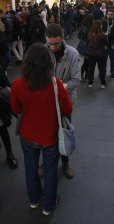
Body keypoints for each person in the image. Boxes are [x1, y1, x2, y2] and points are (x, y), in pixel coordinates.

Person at [11, 43, 72, 216]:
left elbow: (15, 110)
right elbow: (67, 110)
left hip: (28, 135)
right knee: (51, 170)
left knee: (30, 168)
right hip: (50, 136)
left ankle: (34, 199)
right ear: (48, 62)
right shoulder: (56, 84)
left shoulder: (17, 84)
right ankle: (48, 206)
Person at [41, 23, 80, 179]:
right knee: (47, 134)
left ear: (62, 38)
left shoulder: (73, 54)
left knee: (63, 133)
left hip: (65, 102)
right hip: (46, 102)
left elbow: (76, 80)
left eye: (56, 43)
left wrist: (58, 87)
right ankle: (47, 162)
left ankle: (65, 162)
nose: (53, 47)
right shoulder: (42, 52)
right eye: (50, 43)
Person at [87, 20, 109, 88]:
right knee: (101, 69)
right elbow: (106, 43)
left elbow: (88, 40)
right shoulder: (102, 34)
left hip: (91, 53)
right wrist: (106, 35)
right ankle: (103, 83)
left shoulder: (90, 33)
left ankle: (90, 82)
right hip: (100, 53)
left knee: (91, 68)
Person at [102, 8, 114, 78]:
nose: (110, 16)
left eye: (111, 14)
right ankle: (103, 71)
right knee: (104, 60)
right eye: (108, 14)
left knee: (113, 60)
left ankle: (113, 72)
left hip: (113, 44)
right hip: (104, 44)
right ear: (106, 14)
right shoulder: (103, 22)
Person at [78, 14, 94, 81]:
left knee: (86, 61)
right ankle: (83, 75)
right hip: (87, 45)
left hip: (83, 45)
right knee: (87, 62)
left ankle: (85, 75)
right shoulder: (90, 27)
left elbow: (79, 35)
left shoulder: (83, 26)